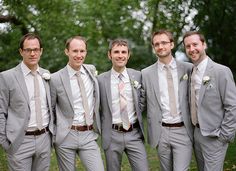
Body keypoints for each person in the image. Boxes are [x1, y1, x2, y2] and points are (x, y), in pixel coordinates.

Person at [183, 31, 236, 171]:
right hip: (197, 133)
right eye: (187, 46)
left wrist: (224, 136)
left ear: (204, 44)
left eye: (195, 44)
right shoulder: (190, 72)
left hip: (215, 136)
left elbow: (232, 106)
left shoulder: (221, 71)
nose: (191, 49)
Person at [140, 30, 193, 171]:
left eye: (164, 42)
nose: (160, 46)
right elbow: (141, 103)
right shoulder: (146, 73)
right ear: (153, 47)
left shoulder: (188, 69)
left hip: (183, 130)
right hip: (160, 131)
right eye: (156, 44)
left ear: (172, 44)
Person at [0, 33, 53, 171]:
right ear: (21, 52)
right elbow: (1, 111)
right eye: (28, 50)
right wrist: (5, 142)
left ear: (41, 51)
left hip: (44, 139)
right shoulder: (7, 77)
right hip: (20, 141)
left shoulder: (46, 75)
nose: (32, 53)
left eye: (36, 49)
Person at [50, 36, 104, 171]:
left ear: (86, 52)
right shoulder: (55, 78)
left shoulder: (91, 70)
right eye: (75, 51)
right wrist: (55, 134)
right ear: (66, 52)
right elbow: (50, 109)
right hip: (66, 136)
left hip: (89, 135)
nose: (79, 55)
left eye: (82, 51)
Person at [98, 39, 148, 171]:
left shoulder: (138, 76)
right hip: (112, 134)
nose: (120, 55)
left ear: (128, 55)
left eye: (123, 52)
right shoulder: (100, 80)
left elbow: (142, 100)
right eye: (116, 52)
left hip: (134, 133)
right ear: (110, 55)